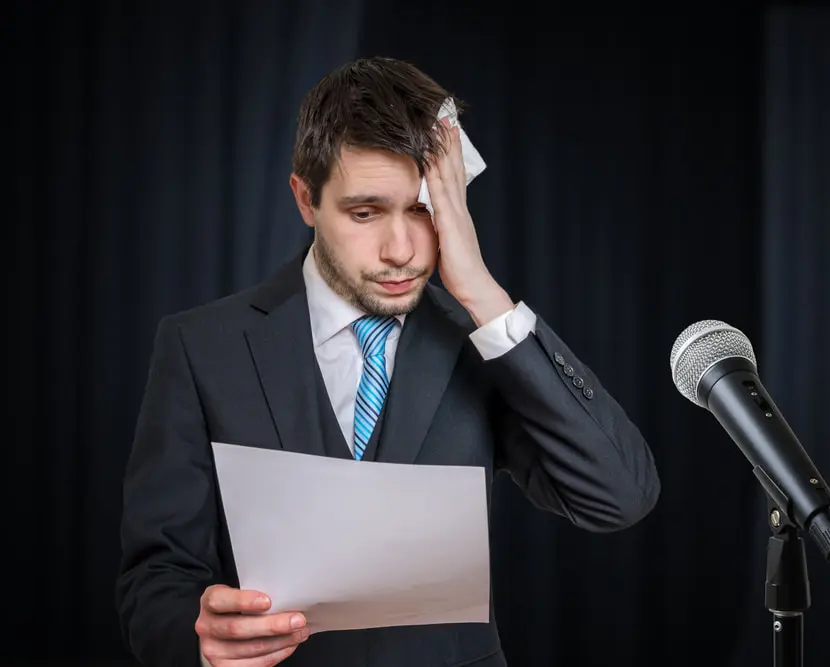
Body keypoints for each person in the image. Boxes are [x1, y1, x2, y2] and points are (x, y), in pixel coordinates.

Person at [115, 55, 661, 667]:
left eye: (424, 210)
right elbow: (154, 577)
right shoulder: (200, 346)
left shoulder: (480, 342)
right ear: (305, 199)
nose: (401, 251)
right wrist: (199, 637)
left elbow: (618, 495)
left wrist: (481, 292)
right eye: (365, 212)